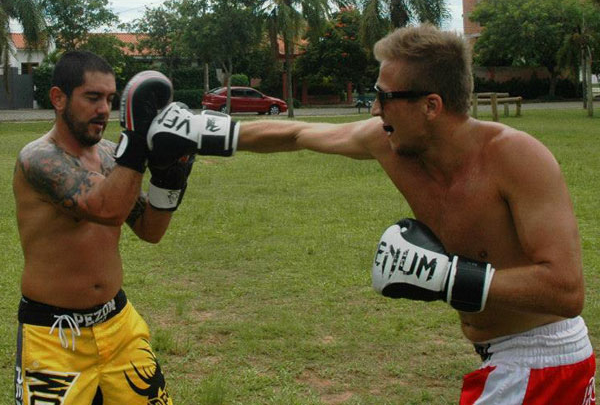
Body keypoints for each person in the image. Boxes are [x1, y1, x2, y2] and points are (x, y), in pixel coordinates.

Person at [236, 24, 596, 404]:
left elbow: (566, 290)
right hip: (504, 361)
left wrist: (444, 276)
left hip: (543, 364)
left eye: (384, 96)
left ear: (431, 106)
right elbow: (296, 135)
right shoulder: (387, 140)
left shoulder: (516, 157)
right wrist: (206, 133)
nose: (375, 108)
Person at [12, 51, 197, 405]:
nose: (103, 109)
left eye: (111, 99)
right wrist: (141, 145)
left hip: (118, 324)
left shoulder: (113, 157)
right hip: (54, 335)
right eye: (93, 97)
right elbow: (106, 209)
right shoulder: (38, 158)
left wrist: (170, 178)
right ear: (58, 98)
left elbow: (150, 229)